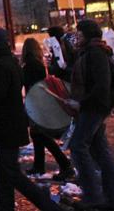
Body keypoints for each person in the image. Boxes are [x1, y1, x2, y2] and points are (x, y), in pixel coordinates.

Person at [0, 28, 61, 211]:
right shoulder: (6, 62)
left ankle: (49, 206)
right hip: (8, 126)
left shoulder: (2, 65)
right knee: (4, 174)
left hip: (6, 127)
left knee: (12, 174)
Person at [68, 20, 114, 210]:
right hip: (93, 106)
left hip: (95, 107)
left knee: (78, 146)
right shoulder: (89, 52)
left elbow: (101, 86)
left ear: (87, 36)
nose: (76, 38)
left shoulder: (96, 53)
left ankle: (94, 196)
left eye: (79, 35)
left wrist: (81, 102)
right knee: (100, 152)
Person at [20, 38, 74, 180]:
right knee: (38, 135)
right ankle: (39, 166)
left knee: (42, 136)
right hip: (40, 103)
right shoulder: (38, 62)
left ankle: (65, 165)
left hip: (36, 104)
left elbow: (31, 84)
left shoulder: (30, 64)